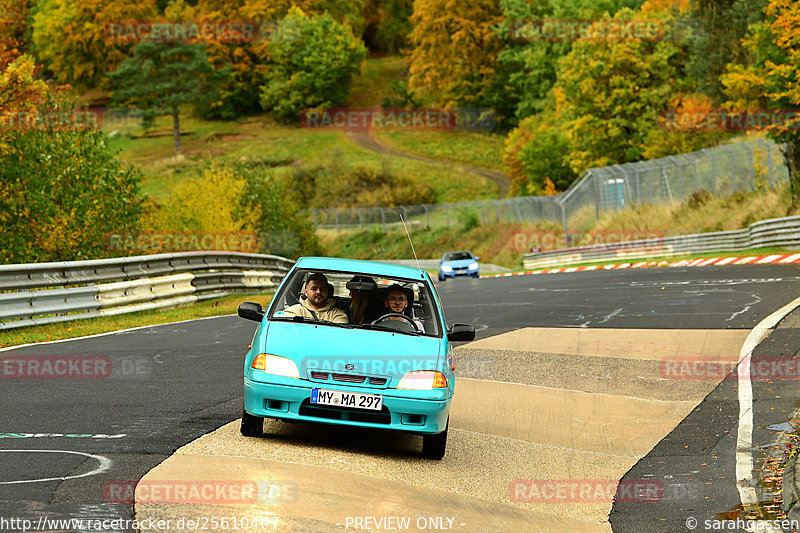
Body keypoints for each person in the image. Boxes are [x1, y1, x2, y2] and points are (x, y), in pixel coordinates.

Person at [278, 273, 348, 324]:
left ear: (328, 291)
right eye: (314, 289)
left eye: (322, 289)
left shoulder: (338, 315)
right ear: (306, 292)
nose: (318, 292)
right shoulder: (294, 311)